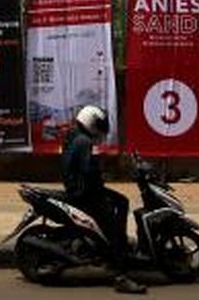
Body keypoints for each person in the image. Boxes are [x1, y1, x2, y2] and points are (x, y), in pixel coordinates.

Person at [60, 105, 145, 295]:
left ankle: (119, 244)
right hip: (85, 193)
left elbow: (85, 167)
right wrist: (102, 173)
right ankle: (120, 276)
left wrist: (99, 172)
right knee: (112, 228)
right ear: (90, 121)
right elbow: (88, 170)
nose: (99, 130)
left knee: (121, 201)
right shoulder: (84, 141)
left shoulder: (75, 136)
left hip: (80, 188)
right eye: (98, 125)